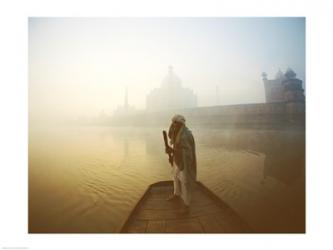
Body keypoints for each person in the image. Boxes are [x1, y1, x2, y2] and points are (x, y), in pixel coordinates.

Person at [165, 114, 197, 214]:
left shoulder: (185, 135)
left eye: (175, 123)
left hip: (185, 161)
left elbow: (187, 152)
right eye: (173, 123)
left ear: (180, 124)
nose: (173, 125)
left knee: (184, 181)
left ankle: (186, 205)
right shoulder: (176, 132)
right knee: (174, 176)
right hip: (177, 159)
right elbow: (173, 142)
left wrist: (172, 151)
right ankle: (176, 194)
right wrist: (171, 151)